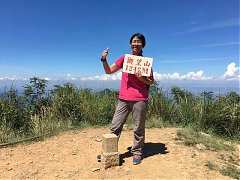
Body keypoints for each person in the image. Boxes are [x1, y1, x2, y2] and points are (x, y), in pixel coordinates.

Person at [100, 33, 154, 165]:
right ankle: (109, 152)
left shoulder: (145, 62)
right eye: (133, 41)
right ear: (130, 44)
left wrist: (141, 78)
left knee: (138, 128)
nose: (135, 43)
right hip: (123, 98)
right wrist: (103, 60)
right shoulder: (125, 58)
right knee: (115, 126)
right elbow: (109, 71)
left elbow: (151, 82)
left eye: (138, 41)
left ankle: (137, 152)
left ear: (143, 45)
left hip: (140, 99)